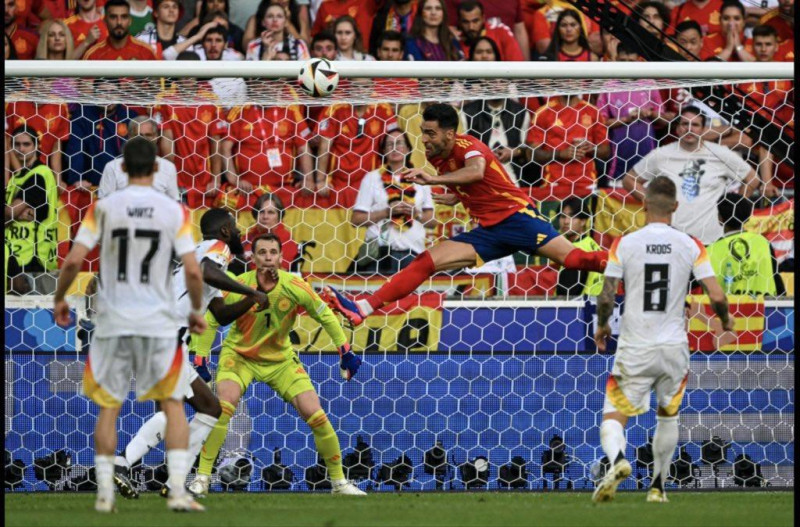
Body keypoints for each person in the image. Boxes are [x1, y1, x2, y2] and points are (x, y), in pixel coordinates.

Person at [322, 104, 609, 326]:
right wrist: (447, 194)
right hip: (489, 230)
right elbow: (469, 187)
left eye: (431, 133)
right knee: (426, 262)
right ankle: (363, 308)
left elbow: (476, 172)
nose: (424, 139)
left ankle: (633, 260)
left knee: (574, 260)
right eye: (423, 132)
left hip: (517, 220)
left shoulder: (469, 145)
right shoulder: (436, 155)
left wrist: (433, 180)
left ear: (450, 133)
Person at [52, 136, 208, 513]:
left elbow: (73, 261)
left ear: (121, 168)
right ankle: (176, 490)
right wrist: (197, 310)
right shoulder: (175, 212)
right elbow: (191, 269)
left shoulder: (104, 208)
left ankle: (105, 494)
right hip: (158, 318)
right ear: (157, 169)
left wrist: (60, 298)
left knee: (109, 406)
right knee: (173, 404)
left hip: (113, 317)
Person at [189, 233, 366, 497]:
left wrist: (345, 352)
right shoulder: (238, 285)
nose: (268, 258)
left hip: (280, 360)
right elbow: (212, 319)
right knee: (222, 408)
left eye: (273, 252)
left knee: (316, 415)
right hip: (239, 356)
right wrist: (200, 357)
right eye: (262, 253)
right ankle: (202, 478)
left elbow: (325, 315)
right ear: (253, 258)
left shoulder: (295, 285)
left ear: (281, 257)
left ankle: (339, 483)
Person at [592, 175, 732, 504]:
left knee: (613, 416)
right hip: (674, 347)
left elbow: (606, 295)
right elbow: (716, 294)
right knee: (668, 414)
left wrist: (602, 327)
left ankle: (617, 461)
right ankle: (658, 488)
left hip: (635, 344)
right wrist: (725, 322)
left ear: (643, 205)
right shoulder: (691, 245)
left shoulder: (624, 243)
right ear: (676, 207)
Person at [113, 207, 269, 499]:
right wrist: (252, 292)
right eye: (234, 226)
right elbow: (208, 272)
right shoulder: (216, 250)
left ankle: (169, 478)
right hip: (165, 339)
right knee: (205, 409)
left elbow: (221, 314)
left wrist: (252, 299)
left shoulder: (200, 255)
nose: (238, 232)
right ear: (224, 231)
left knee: (204, 408)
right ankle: (124, 464)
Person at [622, 105, 763, 244]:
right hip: (673, 239)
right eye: (684, 124)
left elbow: (752, 179)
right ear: (677, 129)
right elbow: (629, 179)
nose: (689, 129)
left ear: (703, 130)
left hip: (712, 239)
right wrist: (656, 203)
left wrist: (733, 209)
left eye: (695, 125)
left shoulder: (719, 153)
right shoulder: (662, 154)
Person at [351, 130, 434, 274]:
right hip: (379, 254)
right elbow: (356, 220)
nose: (395, 148)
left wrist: (415, 213)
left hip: (413, 253)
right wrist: (387, 212)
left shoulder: (420, 178)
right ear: (383, 150)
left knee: (412, 296)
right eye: (389, 145)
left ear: (408, 148)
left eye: (399, 143)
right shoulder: (371, 178)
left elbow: (432, 222)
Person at [63, 79, 138, 234]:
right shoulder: (82, 115)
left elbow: (137, 150)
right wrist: (76, 177)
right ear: (95, 94)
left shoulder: (130, 116)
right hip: (92, 187)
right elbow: (75, 148)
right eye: (103, 92)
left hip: (124, 186)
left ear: (119, 94)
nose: (107, 97)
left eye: (112, 92)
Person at [154, 73, 228, 209]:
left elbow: (216, 142)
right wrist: (168, 179)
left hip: (205, 180)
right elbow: (166, 140)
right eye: (184, 74)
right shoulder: (164, 99)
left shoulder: (211, 100)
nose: (187, 78)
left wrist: (216, 179)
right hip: (176, 178)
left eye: (191, 75)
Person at [461, 41, 531, 183]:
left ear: (509, 82)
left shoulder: (520, 112)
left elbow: (528, 149)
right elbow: (461, 149)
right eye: (493, 80)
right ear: (483, 81)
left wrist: (514, 152)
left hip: (514, 177)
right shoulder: (468, 113)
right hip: (479, 176)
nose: (497, 85)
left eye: (502, 80)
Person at [596, 42, 664, 183]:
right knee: (617, 190)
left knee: (646, 189)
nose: (627, 65)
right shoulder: (609, 86)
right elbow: (601, 122)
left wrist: (650, 114)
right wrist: (626, 119)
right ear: (616, 60)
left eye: (631, 61)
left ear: (638, 61)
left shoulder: (648, 83)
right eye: (623, 61)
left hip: (647, 150)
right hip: (619, 153)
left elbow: (663, 120)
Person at [221, 101, 313, 206]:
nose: (265, 86)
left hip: (284, 187)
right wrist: (234, 180)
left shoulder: (291, 110)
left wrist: (309, 179)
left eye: (273, 84)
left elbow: (303, 147)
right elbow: (224, 148)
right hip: (247, 188)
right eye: (259, 84)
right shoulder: (239, 110)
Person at [5, 126, 60, 295]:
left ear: (37, 146)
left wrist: (13, 213)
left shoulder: (39, 175)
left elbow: (8, 214)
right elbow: (11, 213)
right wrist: (16, 212)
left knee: (35, 316)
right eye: (17, 144)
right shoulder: (17, 177)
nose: (21, 149)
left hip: (33, 261)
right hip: (17, 257)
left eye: (26, 144)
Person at [314, 100, 399, 199]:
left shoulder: (383, 108)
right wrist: (320, 180)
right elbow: (324, 146)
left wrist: (395, 177)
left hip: (372, 181)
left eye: (365, 86)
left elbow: (395, 140)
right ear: (349, 86)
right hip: (336, 181)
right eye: (356, 86)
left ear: (371, 87)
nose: (360, 90)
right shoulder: (335, 108)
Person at [527, 94, 610, 192]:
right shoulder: (543, 112)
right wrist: (560, 154)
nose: (570, 80)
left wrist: (591, 149)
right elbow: (531, 154)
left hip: (587, 183)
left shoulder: (593, 111)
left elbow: (606, 151)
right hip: (553, 183)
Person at [706, 193, 783, 296]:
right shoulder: (762, 242)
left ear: (720, 219)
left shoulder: (710, 251)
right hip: (765, 309)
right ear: (747, 218)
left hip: (728, 310)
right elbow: (777, 281)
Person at [98, 116, 180, 200]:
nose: (143, 140)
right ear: (129, 137)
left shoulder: (168, 168)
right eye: (138, 135)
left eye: (148, 135)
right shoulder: (112, 167)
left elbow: (173, 203)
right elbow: (103, 205)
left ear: (156, 137)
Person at [556, 197, 603, 297]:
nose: (566, 221)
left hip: (581, 308)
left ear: (583, 221)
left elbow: (567, 294)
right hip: (596, 305)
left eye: (572, 216)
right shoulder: (590, 243)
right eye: (562, 216)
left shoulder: (575, 250)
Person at [83, 0, 158, 60]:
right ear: (105, 21)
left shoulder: (146, 52)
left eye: (124, 17)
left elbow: (156, 79)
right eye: (113, 17)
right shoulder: (93, 55)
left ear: (130, 21)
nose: (119, 22)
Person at [456, 0, 523, 61]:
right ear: (459, 22)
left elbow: (517, 65)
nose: (471, 27)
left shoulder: (501, 32)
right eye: (466, 22)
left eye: (475, 21)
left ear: (483, 18)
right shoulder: (455, 43)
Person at [245, 2, 310, 61]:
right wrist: (266, 56)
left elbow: (306, 71)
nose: (275, 20)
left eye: (279, 16)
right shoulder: (253, 45)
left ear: (286, 22)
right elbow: (251, 73)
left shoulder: (299, 45)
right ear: (263, 22)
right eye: (270, 16)